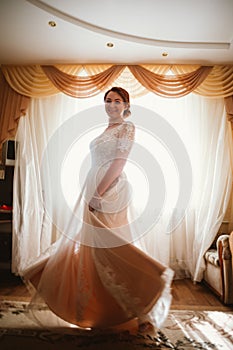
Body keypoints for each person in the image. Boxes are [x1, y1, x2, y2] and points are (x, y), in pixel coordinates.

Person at [23, 87, 174, 333]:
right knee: (93, 250)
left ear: (126, 105)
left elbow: (119, 163)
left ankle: (142, 308)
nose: (112, 104)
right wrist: (91, 191)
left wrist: (98, 193)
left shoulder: (127, 127)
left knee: (113, 248)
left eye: (117, 101)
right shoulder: (106, 130)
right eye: (108, 100)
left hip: (110, 191)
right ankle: (100, 308)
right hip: (95, 189)